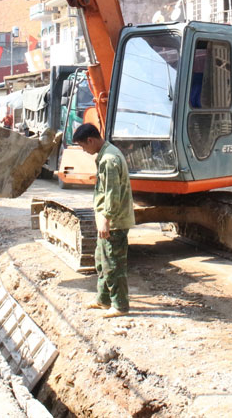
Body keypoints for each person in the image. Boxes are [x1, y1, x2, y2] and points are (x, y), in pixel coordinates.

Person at [72, 123, 134, 318]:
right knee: (101, 261)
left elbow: (112, 194)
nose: (84, 150)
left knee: (113, 264)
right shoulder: (106, 154)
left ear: (90, 140)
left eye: (83, 146)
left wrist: (106, 218)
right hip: (107, 218)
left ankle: (120, 305)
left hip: (114, 221)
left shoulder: (109, 159)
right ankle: (104, 299)